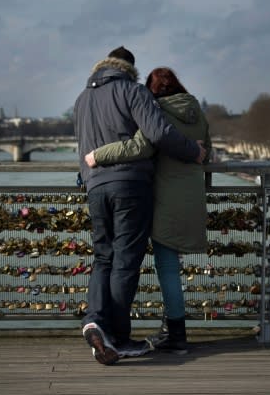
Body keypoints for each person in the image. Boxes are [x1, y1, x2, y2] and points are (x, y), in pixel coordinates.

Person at [74, 47, 206, 365]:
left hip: (94, 186)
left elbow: (81, 146)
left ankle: (94, 321)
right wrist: (194, 152)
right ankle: (117, 337)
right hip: (130, 185)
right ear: (129, 70)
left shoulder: (81, 100)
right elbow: (158, 133)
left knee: (102, 257)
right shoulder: (133, 91)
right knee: (125, 263)